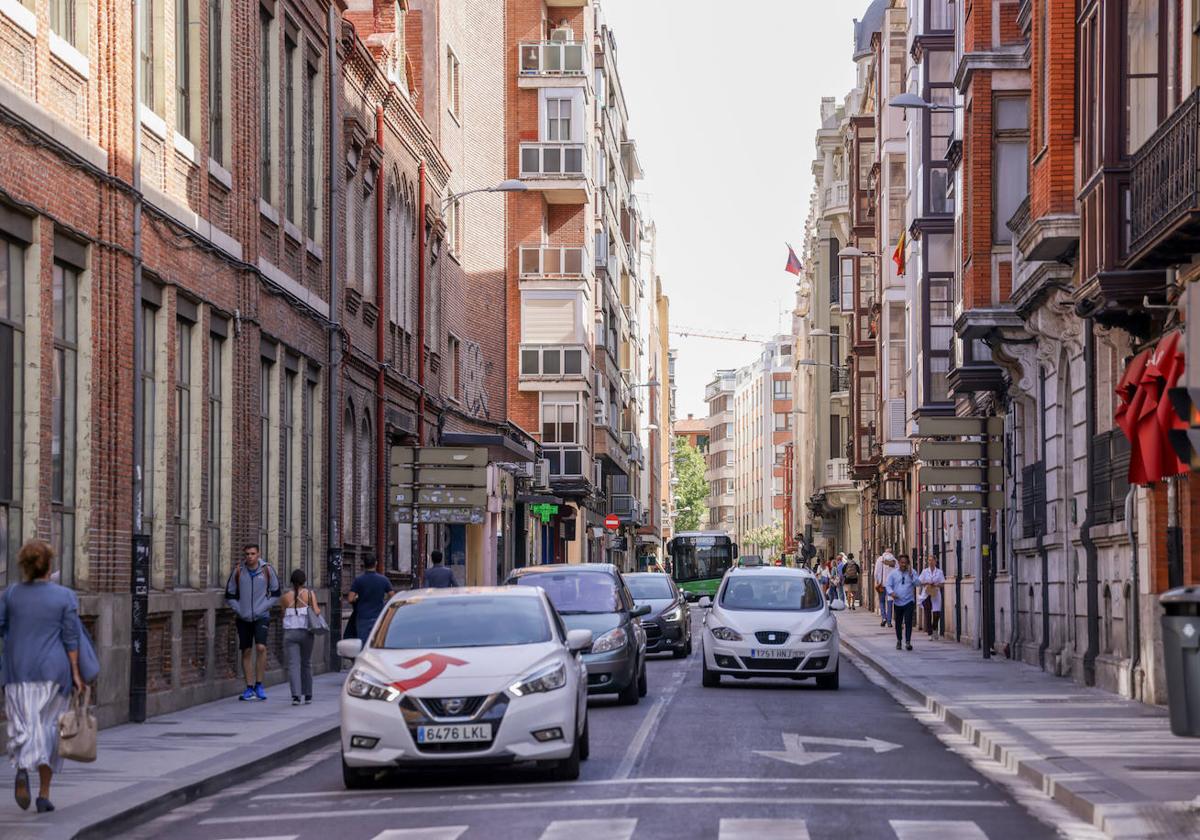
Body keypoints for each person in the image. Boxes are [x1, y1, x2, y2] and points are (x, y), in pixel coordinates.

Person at [0, 540, 85, 813]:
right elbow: (71, 638)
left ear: (24, 567)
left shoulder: (10, 594)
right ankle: (44, 794)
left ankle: (23, 767)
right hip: (53, 671)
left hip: (17, 670)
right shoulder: (64, 596)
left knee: (23, 725)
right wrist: (76, 673)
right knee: (49, 728)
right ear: (49, 565)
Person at [224, 543, 281, 702]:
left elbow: (276, 593)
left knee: (261, 647)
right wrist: (240, 610)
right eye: (247, 554)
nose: (250, 557)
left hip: (261, 616)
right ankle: (249, 687)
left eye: (253, 554)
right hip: (243, 617)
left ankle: (259, 684)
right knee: (246, 651)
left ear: (258, 554)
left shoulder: (267, 570)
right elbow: (229, 595)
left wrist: (262, 607)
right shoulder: (238, 571)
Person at [279, 569, 320, 706]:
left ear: (291, 582)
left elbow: (283, 614)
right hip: (306, 632)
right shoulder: (309, 594)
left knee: (293, 665)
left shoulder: (285, 597)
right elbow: (316, 611)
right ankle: (308, 695)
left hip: (290, 633)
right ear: (304, 581)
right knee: (306, 663)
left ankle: (296, 696)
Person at [348, 554, 395, 640]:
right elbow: (392, 597)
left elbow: (350, 599)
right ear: (376, 563)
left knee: (363, 644)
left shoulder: (359, 580)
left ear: (364, 564)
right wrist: (384, 605)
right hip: (379, 617)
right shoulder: (384, 580)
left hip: (363, 617)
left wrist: (358, 598)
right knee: (378, 643)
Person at [886, 554, 918, 651]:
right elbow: (888, 585)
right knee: (898, 623)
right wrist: (892, 593)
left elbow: (918, 583)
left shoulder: (912, 572)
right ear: (899, 563)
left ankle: (908, 642)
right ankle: (899, 640)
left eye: (905, 563)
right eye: (902, 563)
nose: (903, 565)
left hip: (909, 601)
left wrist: (912, 576)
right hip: (897, 602)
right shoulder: (893, 573)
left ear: (908, 563)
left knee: (908, 622)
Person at [918, 555, 947, 640]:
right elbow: (919, 582)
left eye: (932, 560)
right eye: (929, 560)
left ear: (935, 561)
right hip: (926, 594)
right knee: (927, 613)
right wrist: (926, 583)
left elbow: (942, 584)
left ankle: (935, 629)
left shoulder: (939, 572)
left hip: (935, 593)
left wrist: (937, 584)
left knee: (936, 614)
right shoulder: (924, 571)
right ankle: (930, 633)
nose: (930, 562)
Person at [874, 547, 897, 627]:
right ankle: (889, 621)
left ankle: (884, 618)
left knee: (882, 601)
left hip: (882, 584)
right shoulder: (894, 560)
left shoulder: (879, 559)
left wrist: (877, 581)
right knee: (890, 602)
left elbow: (876, 572)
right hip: (891, 585)